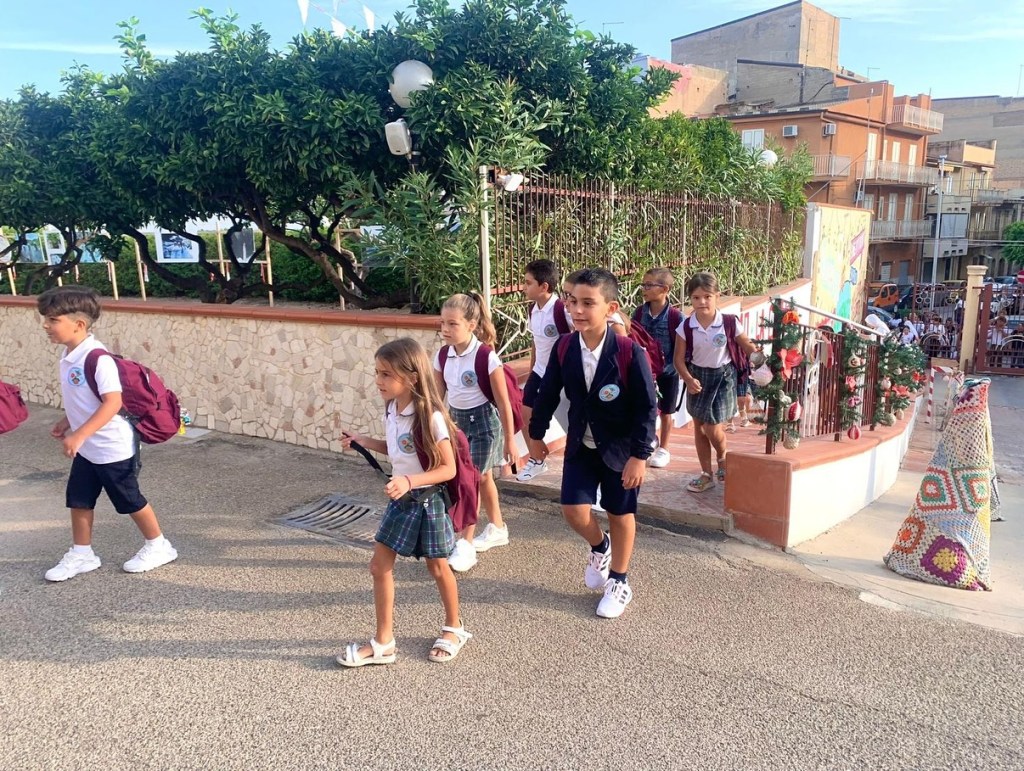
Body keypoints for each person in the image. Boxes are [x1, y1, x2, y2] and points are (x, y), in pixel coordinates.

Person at [527, 268, 657, 619]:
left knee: (620, 512)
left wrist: (640, 456)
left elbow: (647, 408)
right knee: (573, 510)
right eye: (573, 302)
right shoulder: (565, 347)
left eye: (588, 303)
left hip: (620, 450)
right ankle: (600, 546)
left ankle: (619, 580)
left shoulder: (629, 352)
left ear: (610, 308)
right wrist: (536, 436)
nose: (578, 310)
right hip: (580, 446)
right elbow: (547, 393)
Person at [337, 338, 470, 666]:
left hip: (427, 500)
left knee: (438, 567)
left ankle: (454, 628)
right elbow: (398, 448)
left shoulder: (431, 417)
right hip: (402, 500)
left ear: (411, 377)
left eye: (386, 374)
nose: (378, 381)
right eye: (377, 372)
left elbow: (448, 468)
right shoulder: (392, 409)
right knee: (378, 567)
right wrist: (363, 441)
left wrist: (409, 481)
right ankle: (384, 643)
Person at [37, 286, 177, 582]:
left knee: (129, 500)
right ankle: (82, 554)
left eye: (52, 320)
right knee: (79, 499)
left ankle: (159, 546)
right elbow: (86, 399)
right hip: (89, 448)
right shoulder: (69, 355)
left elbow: (112, 403)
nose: (45, 325)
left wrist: (79, 435)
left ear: (79, 324)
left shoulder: (98, 359)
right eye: (46, 319)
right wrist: (66, 422)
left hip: (113, 448)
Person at [434, 292, 518, 571]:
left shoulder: (486, 357)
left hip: (484, 425)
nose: (446, 329)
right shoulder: (442, 356)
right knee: (482, 478)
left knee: (471, 479)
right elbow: (437, 400)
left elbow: (503, 403)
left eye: (452, 324)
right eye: (443, 323)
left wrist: (510, 441)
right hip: (457, 424)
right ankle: (497, 527)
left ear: (471, 325)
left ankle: (465, 544)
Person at [674, 272, 758, 493]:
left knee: (711, 427)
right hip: (697, 378)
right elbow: (678, 359)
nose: (702, 302)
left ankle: (722, 457)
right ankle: (706, 474)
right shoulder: (686, 327)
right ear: (690, 299)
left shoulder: (728, 322)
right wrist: (688, 379)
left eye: (707, 296)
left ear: (717, 296)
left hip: (723, 378)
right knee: (699, 428)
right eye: (696, 297)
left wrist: (758, 357)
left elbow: (746, 344)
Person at [517, 259, 571, 482]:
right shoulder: (533, 309)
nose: (524, 287)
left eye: (528, 283)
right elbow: (536, 342)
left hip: (561, 374)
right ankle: (537, 459)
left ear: (544, 286)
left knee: (571, 421)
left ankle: (580, 466)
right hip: (540, 371)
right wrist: (532, 370)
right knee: (525, 412)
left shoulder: (561, 310)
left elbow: (575, 338)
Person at [632, 268, 683, 465]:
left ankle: (664, 449)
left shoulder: (676, 317)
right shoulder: (639, 313)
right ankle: (648, 440)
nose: (644, 289)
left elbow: (681, 347)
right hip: (645, 372)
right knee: (645, 408)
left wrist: (680, 369)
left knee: (667, 410)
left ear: (665, 289)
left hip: (668, 372)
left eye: (649, 285)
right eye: (643, 285)